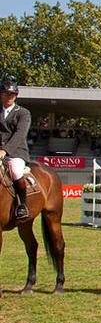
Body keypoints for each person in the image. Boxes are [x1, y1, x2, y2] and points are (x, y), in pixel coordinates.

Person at [0, 77, 31, 221]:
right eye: (6, 94)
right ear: (1, 94)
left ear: (16, 96)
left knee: (16, 171)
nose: (9, 97)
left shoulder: (23, 113)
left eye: (12, 95)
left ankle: (22, 206)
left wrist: (5, 151)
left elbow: (20, 134)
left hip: (16, 151)